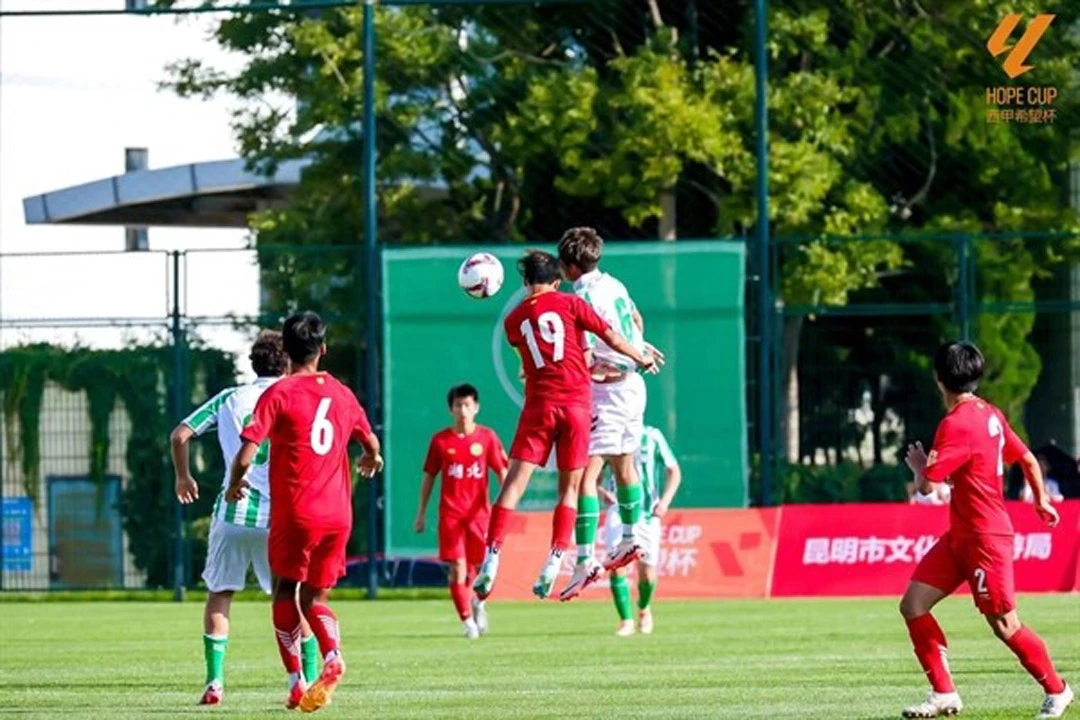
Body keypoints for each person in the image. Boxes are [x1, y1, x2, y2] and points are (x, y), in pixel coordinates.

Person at [472, 250, 660, 602]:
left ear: (526, 283)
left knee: (512, 487)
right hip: (575, 406)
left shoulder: (513, 321)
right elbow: (613, 337)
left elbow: (525, 366)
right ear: (557, 281)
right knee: (571, 488)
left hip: (538, 408)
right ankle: (555, 561)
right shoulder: (572, 305)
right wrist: (641, 357)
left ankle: (491, 561)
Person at [899, 341, 1071, 719]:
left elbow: (929, 486)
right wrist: (1041, 499)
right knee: (913, 605)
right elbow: (1025, 457)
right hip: (961, 536)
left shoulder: (954, 424)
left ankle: (1058, 690)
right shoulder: (988, 413)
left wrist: (917, 468)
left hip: (986, 539)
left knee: (1005, 625)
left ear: (938, 378)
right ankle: (943, 693)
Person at [227, 311, 383, 712]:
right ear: (324, 349)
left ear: (286, 351)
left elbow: (246, 455)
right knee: (315, 597)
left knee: (284, 590)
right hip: (338, 516)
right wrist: (371, 459)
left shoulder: (277, 395)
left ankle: (297, 681)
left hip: (296, 512)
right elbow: (370, 441)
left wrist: (233, 484)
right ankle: (332, 655)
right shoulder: (343, 394)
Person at [171, 330, 319, 705]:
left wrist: (183, 476)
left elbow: (179, 435)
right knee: (294, 599)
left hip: (234, 513)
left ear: (253, 363)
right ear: (287, 361)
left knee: (220, 594)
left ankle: (215, 681)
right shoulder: (296, 395)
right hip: (282, 518)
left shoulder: (228, 398)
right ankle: (307, 680)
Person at [557, 226, 658, 601]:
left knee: (585, 475)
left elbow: (583, 354)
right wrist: (638, 349)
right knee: (624, 466)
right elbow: (636, 318)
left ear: (568, 268)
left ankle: (584, 561)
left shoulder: (580, 297)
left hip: (609, 390)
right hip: (634, 386)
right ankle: (631, 538)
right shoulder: (613, 284)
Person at [414, 383, 508, 639]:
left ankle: (478, 603)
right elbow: (429, 477)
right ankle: (468, 623)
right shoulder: (441, 440)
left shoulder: (487, 437)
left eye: (467, 405)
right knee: (458, 568)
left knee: (483, 568)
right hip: (451, 514)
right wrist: (421, 513)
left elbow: (503, 471)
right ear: (451, 409)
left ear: (476, 408)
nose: (463, 410)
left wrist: (507, 505)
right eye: (458, 405)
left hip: (480, 516)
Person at [600, 425, 681, 636]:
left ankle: (644, 608)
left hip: (647, 514)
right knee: (617, 564)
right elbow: (594, 476)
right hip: (618, 511)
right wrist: (602, 492)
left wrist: (664, 502)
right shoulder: (610, 434)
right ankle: (625, 620)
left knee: (646, 573)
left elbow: (674, 470)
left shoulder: (652, 436)